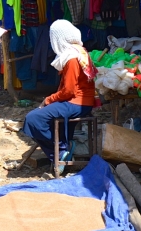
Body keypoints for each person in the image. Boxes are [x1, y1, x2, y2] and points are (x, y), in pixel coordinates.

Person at [22, 20, 97, 175]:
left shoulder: (71, 58)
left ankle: (61, 150)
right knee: (42, 116)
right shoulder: (80, 51)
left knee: (33, 119)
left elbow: (68, 91)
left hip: (76, 102)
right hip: (81, 101)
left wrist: (48, 100)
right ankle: (61, 149)